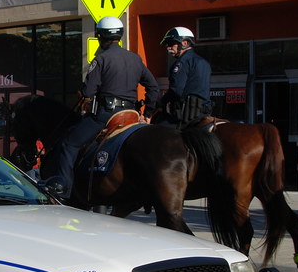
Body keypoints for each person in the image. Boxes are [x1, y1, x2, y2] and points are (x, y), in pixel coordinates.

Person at [55, 15, 159, 198]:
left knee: (69, 144)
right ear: (120, 35)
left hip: (106, 115)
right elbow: (153, 87)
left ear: (100, 36)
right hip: (131, 115)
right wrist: (147, 113)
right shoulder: (135, 59)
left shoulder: (101, 59)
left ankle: (65, 190)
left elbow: (88, 92)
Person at [160, 26, 211, 126]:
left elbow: (176, 90)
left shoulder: (182, 63)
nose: (168, 48)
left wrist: (161, 102)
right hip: (204, 114)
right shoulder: (204, 62)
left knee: (156, 134)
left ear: (185, 43)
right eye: (167, 45)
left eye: (171, 43)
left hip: (187, 117)